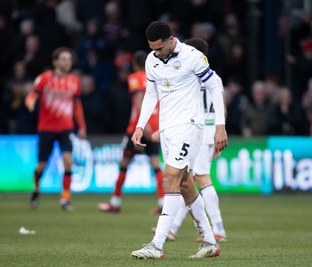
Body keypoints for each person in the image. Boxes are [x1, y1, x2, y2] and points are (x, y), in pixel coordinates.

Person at [130, 21, 227, 259]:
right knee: (185, 184)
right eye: (152, 48)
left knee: (171, 178)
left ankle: (156, 245)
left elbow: (214, 86)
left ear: (171, 40)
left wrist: (220, 126)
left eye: (160, 48)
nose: (156, 53)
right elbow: (151, 94)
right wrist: (140, 126)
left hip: (190, 127)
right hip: (167, 129)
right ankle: (209, 241)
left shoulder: (192, 56)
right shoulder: (152, 60)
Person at [151, 37, 227, 243]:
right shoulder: (215, 77)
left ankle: (217, 228)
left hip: (195, 129)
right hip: (200, 129)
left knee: (199, 178)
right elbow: (221, 104)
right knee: (186, 180)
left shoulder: (190, 73)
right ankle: (176, 228)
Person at [97, 50, 164, 214]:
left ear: (134, 63)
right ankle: (163, 202)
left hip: (137, 128)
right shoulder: (158, 77)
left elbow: (139, 98)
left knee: (124, 163)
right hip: (156, 126)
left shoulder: (134, 78)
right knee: (155, 164)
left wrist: (144, 124)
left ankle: (115, 202)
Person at [25, 47, 87, 211]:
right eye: (64, 59)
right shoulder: (44, 79)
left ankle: (65, 199)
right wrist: (30, 103)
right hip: (46, 129)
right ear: (55, 62)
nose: (68, 63)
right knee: (41, 166)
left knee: (68, 162)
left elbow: (77, 105)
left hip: (66, 128)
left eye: (69, 60)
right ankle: (36, 188)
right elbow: (33, 95)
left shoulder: (74, 81)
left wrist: (81, 126)